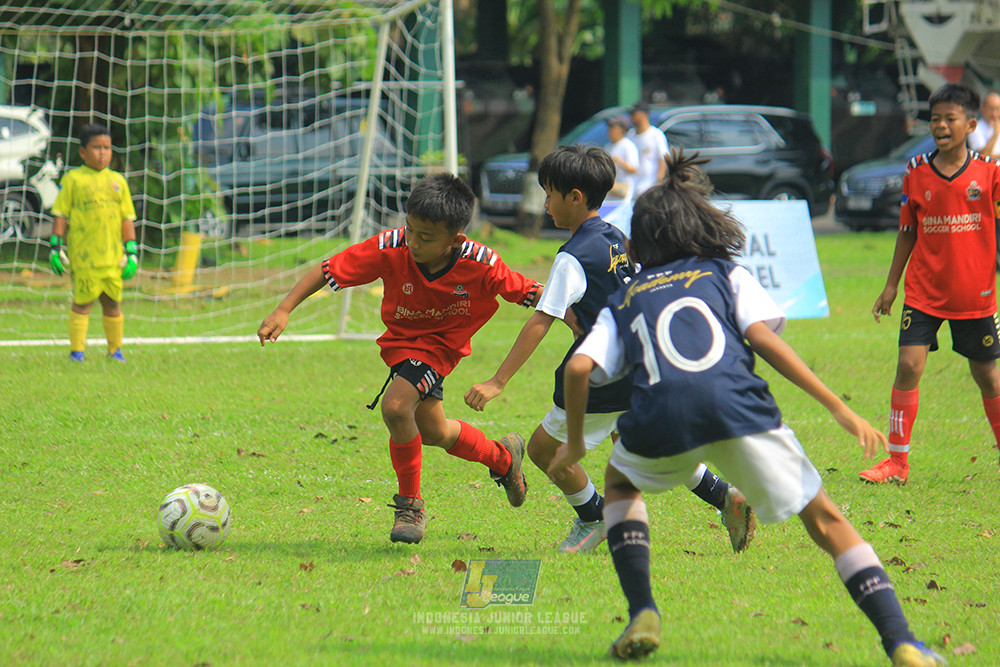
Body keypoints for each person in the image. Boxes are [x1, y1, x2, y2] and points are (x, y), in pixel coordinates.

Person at [549, 148, 947, 666]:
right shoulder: (724, 273)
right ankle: (901, 644)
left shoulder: (628, 298)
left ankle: (643, 610)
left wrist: (576, 442)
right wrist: (836, 407)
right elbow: (766, 340)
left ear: (642, 241)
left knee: (621, 486)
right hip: (740, 410)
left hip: (659, 417)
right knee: (826, 521)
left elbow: (579, 369)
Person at [465, 145, 756, 555]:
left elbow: (539, 321)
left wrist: (498, 381)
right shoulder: (615, 238)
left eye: (549, 193)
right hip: (640, 363)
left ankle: (593, 515)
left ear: (575, 196)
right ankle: (725, 496)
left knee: (543, 451)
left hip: (600, 375)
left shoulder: (571, 257)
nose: (545, 203)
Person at [257, 173, 542, 545]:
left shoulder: (481, 262)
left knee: (395, 407)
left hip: (440, 348)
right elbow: (327, 270)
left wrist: (575, 312)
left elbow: (530, 292)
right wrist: (284, 309)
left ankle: (411, 505)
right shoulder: (391, 246)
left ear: (455, 239)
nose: (413, 243)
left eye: (426, 238)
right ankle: (504, 458)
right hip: (402, 346)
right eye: (410, 230)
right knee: (434, 432)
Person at [863, 82, 1000, 484]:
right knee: (908, 365)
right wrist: (891, 286)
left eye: (950, 118)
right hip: (923, 291)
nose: (941, 125)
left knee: (988, 376)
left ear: (970, 124)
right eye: (935, 118)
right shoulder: (915, 170)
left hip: (974, 293)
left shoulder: (989, 172)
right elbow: (907, 230)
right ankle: (897, 463)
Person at [48, 123, 139, 362]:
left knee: (113, 304)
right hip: (84, 258)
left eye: (107, 148)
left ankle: (115, 351)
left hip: (112, 259)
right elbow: (60, 215)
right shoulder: (73, 180)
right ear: (82, 152)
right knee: (83, 303)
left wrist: (132, 251)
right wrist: (55, 248)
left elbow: (127, 218)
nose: (102, 153)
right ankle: (77, 352)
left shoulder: (117, 181)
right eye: (96, 147)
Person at [601, 115, 639, 237]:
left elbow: (634, 169)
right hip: (609, 192)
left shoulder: (628, 146)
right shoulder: (609, 146)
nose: (610, 130)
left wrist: (619, 161)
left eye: (613, 127)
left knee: (621, 228)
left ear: (622, 129)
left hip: (622, 191)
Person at [627, 101, 669, 196]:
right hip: (632, 190)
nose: (632, 117)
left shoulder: (656, 135)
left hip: (649, 188)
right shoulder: (630, 135)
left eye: (635, 114)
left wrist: (658, 182)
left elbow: (663, 159)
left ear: (644, 114)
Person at [967, 90, 1000, 158]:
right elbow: (982, 156)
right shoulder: (975, 128)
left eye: (997, 109)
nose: (994, 114)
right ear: (982, 108)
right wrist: (996, 134)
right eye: (991, 109)